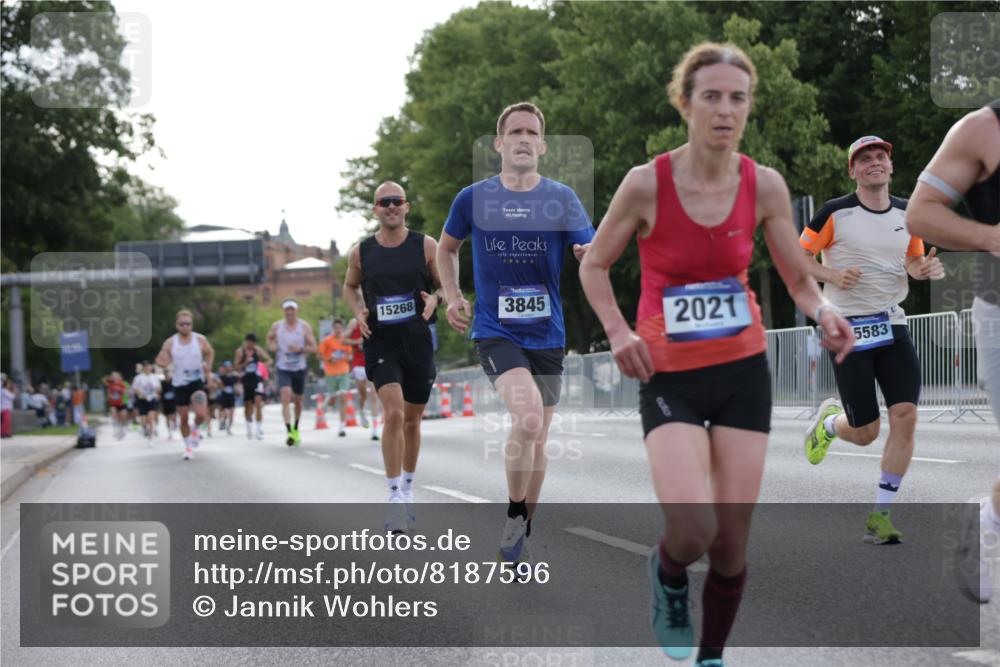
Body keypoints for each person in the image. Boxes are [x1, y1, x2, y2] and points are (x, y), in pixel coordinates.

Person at [578, 43, 854, 664]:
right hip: (668, 373)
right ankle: (668, 573)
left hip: (741, 372)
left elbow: (799, 281)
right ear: (685, 103)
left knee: (730, 543)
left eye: (738, 98)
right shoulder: (646, 184)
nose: (726, 111)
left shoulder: (765, 186)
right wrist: (619, 332)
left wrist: (826, 311)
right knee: (694, 530)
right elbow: (595, 263)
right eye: (711, 97)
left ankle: (711, 656)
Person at [438, 101, 594, 567]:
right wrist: (452, 296)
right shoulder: (472, 199)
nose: (524, 138)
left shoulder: (561, 197)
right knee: (527, 419)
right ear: (499, 144)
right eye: (515, 132)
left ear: (542, 146)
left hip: (547, 332)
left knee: (539, 436)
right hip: (495, 329)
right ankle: (512, 512)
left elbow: (589, 243)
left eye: (532, 132)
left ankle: (523, 530)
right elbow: (447, 249)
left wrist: (590, 252)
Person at [800, 135, 945, 544]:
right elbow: (798, 258)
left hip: (893, 323)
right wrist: (831, 276)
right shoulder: (834, 213)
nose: (874, 163)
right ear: (853, 171)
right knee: (865, 431)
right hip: (846, 326)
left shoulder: (907, 213)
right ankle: (829, 424)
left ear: (891, 166)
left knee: (906, 416)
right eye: (865, 159)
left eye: (880, 156)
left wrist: (923, 271)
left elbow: (913, 262)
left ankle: (880, 516)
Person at [907, 100, 1000, 603]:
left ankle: (990, 518)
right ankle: (988, 525)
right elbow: (920, 213)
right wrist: (990, 236)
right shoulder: (983, 130)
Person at [344, 180, 441, 533]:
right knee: (394, 414)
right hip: (381, 343)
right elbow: (349, 286)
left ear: (406, 206)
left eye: (396, 201)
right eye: (384, 202)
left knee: (413, 421)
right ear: (375, 210)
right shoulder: (362, 252)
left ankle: (409, 489)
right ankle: (394, 496)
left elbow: (443, 282)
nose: (391, 206)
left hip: (417, 341)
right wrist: (358, 311)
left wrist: (437, 298)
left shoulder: (425, 245)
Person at [155, 309, 215, 460]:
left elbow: (210, 352)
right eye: (182, 324)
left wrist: (208, 366)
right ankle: (188, 447)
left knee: (201, 413)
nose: (185, 327)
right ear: (177, 325)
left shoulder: (200, 339)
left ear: (192, 325)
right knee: (183, 419)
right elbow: (161, 361)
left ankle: (195, 430)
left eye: (188, 324)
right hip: (179, 384)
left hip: (196, 382)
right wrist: (163, 363)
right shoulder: (170, 343)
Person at [267, 300, 317, 447]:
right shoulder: (277, 326)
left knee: (298, 400)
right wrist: (273, 346)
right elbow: (269, 339)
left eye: (292, 310)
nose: (289, 313)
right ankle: (289, 431)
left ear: (296, 311)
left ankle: (296, 427)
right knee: (286, 395)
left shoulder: (304, 326)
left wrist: (300, 350)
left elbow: (314, 347)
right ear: (284, 312)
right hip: (283, 367)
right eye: (287, 310)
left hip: (299, 367)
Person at [344, 317, 381, 440]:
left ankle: (375, 430)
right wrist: (358, 341)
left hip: (373, 361)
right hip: (358, 364)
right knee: (363, 395)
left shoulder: (377, 317)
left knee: (374, 395)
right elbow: (343, 340)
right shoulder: (354, 322)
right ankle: (362, 410)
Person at [318, 318, 354, 437]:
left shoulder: (345, 341)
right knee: (332, 400)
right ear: (333, 329)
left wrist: (347, 357)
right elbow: (319, 354)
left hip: (343, 370)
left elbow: (350, 355)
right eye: (336, 328)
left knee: (344, 397)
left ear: (343, 329)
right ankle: (327, 403)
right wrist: (329, 359)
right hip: (331, 372)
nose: (338, 330)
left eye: (340, 328)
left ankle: (342, 427)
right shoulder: (328, 341)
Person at [234, 333, 272, 440]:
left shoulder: (258, 350)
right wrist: (245, 363)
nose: (253, 344)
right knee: (248, 405)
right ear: (247, 341)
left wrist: (263, 366)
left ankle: (259, 429)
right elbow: (236, 367)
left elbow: (269, 360)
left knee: (258, 403)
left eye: (255, 342)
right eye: (251, 342)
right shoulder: (240, 352)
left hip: (257, 380)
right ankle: (248, 426)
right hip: (246, 381)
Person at [132, 361, 162, 443]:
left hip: (152, 399)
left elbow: (159, 389)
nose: (147, 368)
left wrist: (156, 391)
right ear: (143, 368)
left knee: (151, 419)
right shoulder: (138, 378)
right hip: (142, 400)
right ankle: (145, 429)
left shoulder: (155, 377)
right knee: (144, 420)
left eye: (148, 366)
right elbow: (134, 389)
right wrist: (142, 394)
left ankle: (151, 438)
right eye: (145, 366)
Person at [102, 373, 128, 438]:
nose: (115, 378)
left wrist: (120, 390)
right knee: (114, 413)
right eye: (113, 377)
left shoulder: (121, 383)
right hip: (113, 403)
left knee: (122, 416)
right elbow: (104, 381)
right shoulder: (110, 384)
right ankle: (116, 428)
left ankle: (122, 428)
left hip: (121, 403)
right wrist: (109, 398)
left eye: (116, 377)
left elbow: (125, 391)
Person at [160, 370, 177, 439]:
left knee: (173, 415)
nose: (166, 374)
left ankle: (174, 425)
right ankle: (169, 431)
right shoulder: (162, 383)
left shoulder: (173, 381)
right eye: (165, 373)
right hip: (165, 402)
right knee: (167, 417)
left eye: (167, 373)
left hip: (173, 401)